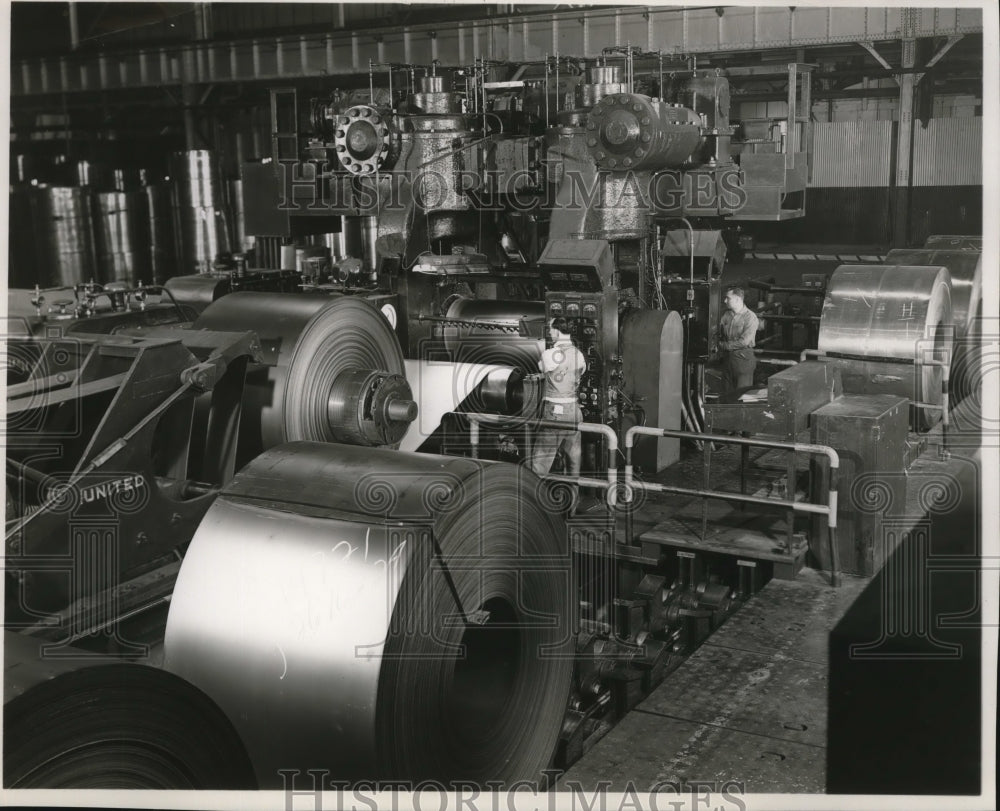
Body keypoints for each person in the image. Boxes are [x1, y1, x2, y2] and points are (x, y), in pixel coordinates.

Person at [529, 317, 587, 509]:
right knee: (573, 461)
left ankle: (534, 507)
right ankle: (572, 505)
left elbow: (540, 369)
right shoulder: (579, 354)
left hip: (555, 412)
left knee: (540, 462)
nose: (550, 333)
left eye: (551, 330)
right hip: (574, 412)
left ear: (555, 331)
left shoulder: (551, 354)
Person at [719, 285, 759, 390]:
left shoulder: (750, 317)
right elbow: (718, 332)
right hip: (728, 360)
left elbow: (744, 342)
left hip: (743, 360)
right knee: (726, 395)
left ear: (737, 299)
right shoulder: (726, 315)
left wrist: (722, 345)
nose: (724, 301)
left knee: (741, 396)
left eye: (728, 298)